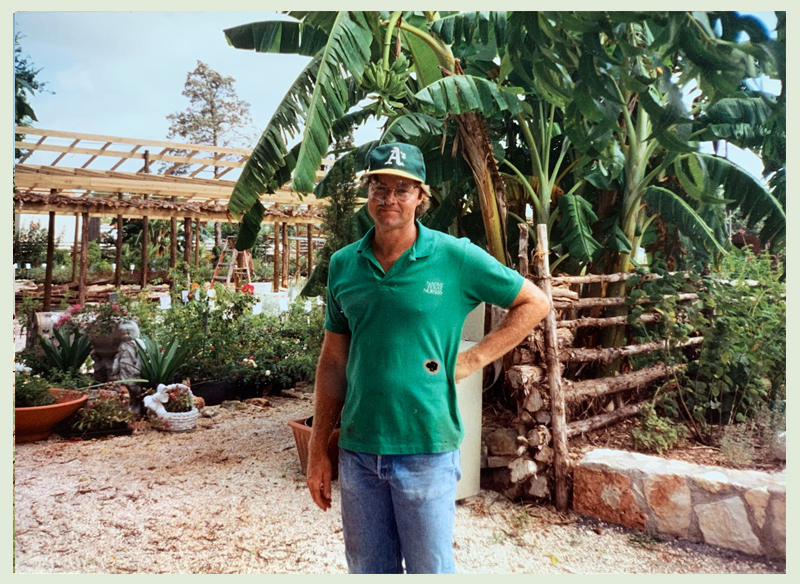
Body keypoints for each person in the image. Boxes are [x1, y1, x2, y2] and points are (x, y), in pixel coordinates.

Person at [306, 142, 550, 574]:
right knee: (367, 572)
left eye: (403, 188)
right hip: (359, 452)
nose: (389, 198)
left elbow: (533, 303)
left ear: (422, 196)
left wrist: (474, 359)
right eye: (379, 186)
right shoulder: (345, 264)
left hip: (426, 450)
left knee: (430, 572)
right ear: (368, 192)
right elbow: (333, 360)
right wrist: (318, 449)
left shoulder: (453, 257)